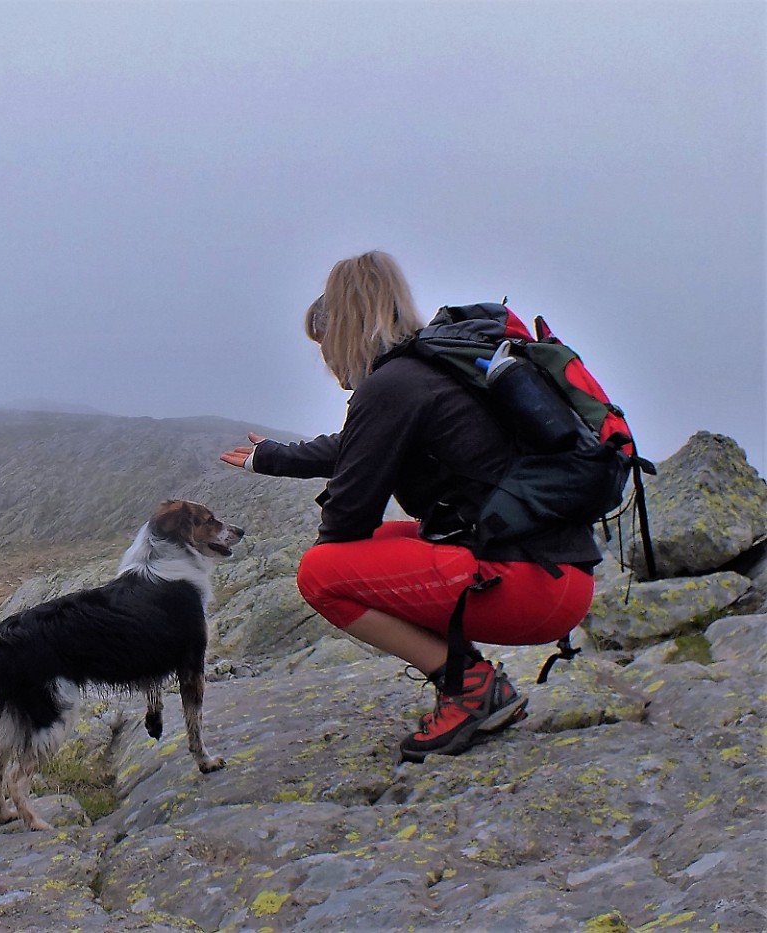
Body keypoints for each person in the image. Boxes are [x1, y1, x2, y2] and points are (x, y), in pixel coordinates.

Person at [221, 250, 598, 763]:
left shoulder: (391, 386)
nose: (327, 362)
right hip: (559, 575)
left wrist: (343, 516)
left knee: (321, 573)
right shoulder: (429, 368)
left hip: (526, 588)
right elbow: (359, 443)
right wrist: (274, 458)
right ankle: (473, 679)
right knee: (384, 546)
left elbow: (348, 519)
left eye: (323, 345)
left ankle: (470, 689)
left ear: (342, 330)